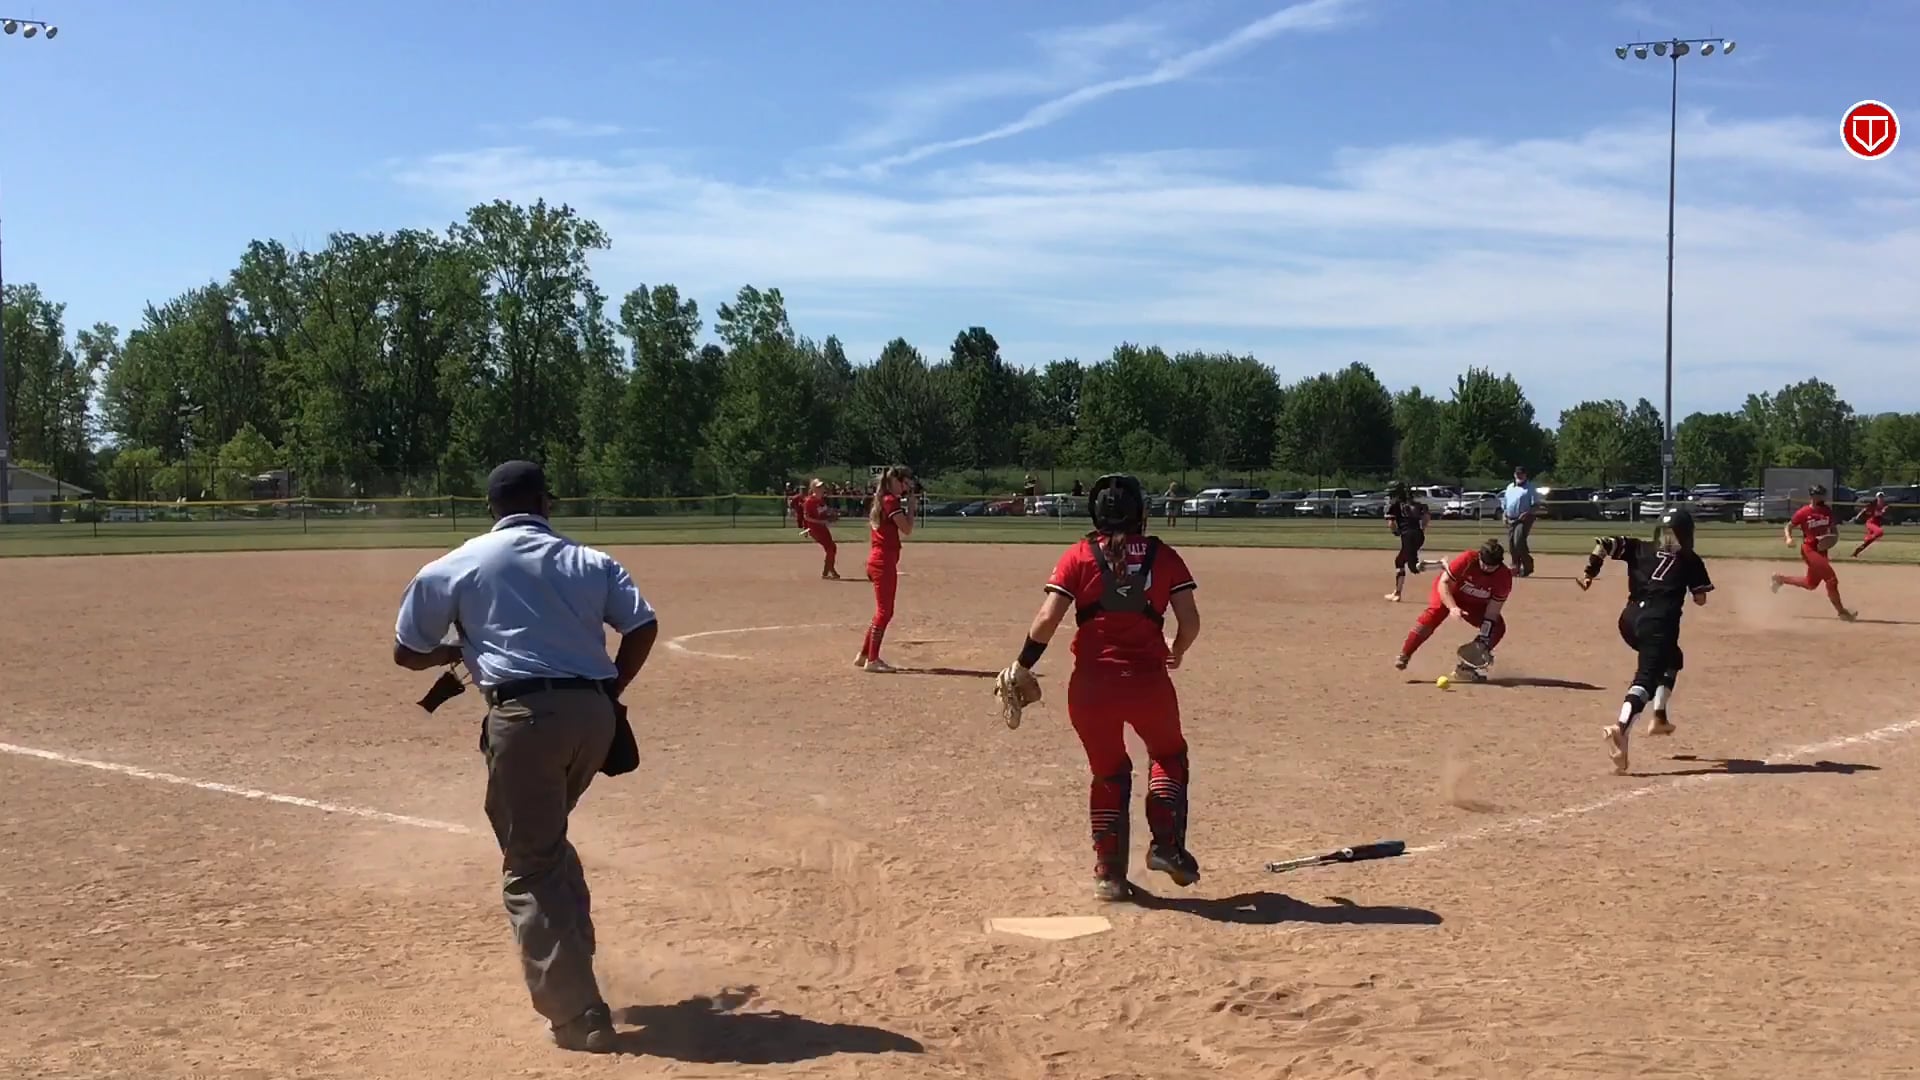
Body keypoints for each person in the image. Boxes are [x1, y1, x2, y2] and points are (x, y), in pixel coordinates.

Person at [391, 460, 659, 1054]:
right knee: (546, 841)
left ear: (491, 507)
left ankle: (577, 1012)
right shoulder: (590, 560)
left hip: (524, 719)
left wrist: (456, 650)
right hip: (594, 717)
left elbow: (407, 652)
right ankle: (577, 953)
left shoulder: (458, 563)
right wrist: (611, 690)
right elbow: (642, 625)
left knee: (529, 863)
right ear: (546, 502)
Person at [997, 474, 1202, 901]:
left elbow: (1046, 620)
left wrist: (1022, 663)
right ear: (1140, 513)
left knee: (1108, 771)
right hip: (1147, 683)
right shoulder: (1163, 555)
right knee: (1168, 755)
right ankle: (1165, 846)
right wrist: (1177, 650)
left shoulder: (1079, 555)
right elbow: (1190, 621)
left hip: (1091, 687)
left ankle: (1109, 874)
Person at [1578, 508, 1713, 775]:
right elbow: (1700, 598)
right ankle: (1621, 727)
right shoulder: (1690, 559)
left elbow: (1603, 543)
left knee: (1673, 658)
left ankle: (1659, 716)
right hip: (1658, 624)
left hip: (1629, 621)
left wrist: (1590, 572)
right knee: (1646, 678)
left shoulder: (1639, 547)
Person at [1394, 539, 1512, 682]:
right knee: (1435, 612)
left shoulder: (1504, 577)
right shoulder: (1468, 559)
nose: (1487, 568)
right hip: (1449, 591)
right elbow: (1444, 584)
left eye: (1492, 566)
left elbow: (1492, 612)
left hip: (1474, 603)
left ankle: (1465, 668)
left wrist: (1484, 639)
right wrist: (1453, 607)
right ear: (1479, 556)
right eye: (1485, 563)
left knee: (1496, 628)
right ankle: (1405, 654)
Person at [855, 465, 917, 672]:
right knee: (885, 612)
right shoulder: (890, 501)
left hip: (880, 560)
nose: (906, 487)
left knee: (881, 612)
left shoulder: (885, 499)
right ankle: (872, 660)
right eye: (904, 483)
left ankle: (864, 655)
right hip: (883, 562)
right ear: (894, 481)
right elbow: (907, 529)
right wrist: (911, 507)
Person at [1769, 485, 1857, 620]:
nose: (1822, 497)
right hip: (1809, 549)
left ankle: (1780, 579)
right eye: (1819, 495)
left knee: (1810, 584)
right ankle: (1842, 612)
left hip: (1822, 550)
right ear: (1812, 496)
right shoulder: (1804, 512)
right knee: (1831, 580)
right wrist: (1788, 538)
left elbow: (1834, 530)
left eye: (1823, 494)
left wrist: (1833, 539)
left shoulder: (1827, 511)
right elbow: (1789, 526)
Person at [1383, 481, 1432, 602]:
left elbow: (1391, 523)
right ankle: (1397, 592)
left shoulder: (1395, 505)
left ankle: (1440, 565)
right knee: (1401, 561)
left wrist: (1396, 532)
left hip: (1407, 536)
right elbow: (1426, 517)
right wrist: (1422, 529)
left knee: (1412, 566)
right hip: (1418, 535)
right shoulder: (1416, 504)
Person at [1501, 467, 1538, 577]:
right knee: (1512, 544)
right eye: (1517, 474)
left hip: (1524, 519)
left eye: (1521, 474)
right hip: (1511, 518)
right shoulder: (1510, 487)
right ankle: (1515, 566)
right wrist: (1504, 515)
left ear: (1525, 475)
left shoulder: (1530, 488)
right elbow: (1505, 504)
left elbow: (1536, 505)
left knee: (1519, 542)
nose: (1519, 476)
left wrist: (1527, 513)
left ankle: (1527, 565)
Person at [800, 478, 839, 579]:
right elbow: (806, 517)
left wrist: (831, 515)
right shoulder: (809, 501)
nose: (821, 489)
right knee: (831, 547)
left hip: (822, 528)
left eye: (822, 486)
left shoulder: (821, 500)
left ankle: (828, 570)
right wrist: (821, 522)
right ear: (813, 489)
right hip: (815, 529)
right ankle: (829, 570)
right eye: (818, 487)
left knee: (831, 548)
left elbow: (824, 513)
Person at [1850, 490, 1889, 558]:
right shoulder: (1873, 505)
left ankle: (1855, 553)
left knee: (1867, 542)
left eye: (1882, 497)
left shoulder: (1885, 506)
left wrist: (1883, 512)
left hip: (1877, 524)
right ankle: (1868, 538)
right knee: (1880, 532)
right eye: (1879, 497)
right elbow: (1864, 510)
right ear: (1877, 498)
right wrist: (1857, 517)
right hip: (1870, 522)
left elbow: (1884, 514)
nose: (1881, 498)